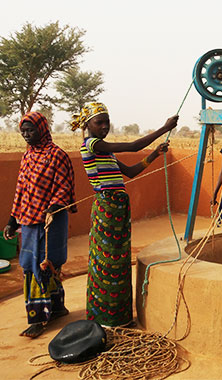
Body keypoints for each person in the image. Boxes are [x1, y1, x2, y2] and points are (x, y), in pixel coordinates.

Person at [70, 102, 177, 327]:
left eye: (107, 122)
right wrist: (164, 128)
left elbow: (130, 172)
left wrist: (156, 155)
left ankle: (118, 316)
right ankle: (104, 317)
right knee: (106, 263)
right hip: (107, 209)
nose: (104, 126)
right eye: (99, 122)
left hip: (117, 209)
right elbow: (134, 145)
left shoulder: (105, 154)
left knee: (117, 263)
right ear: (87, 124)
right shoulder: (92, 145)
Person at [3, 112, 76, 338]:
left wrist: (54, 207)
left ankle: (39, 319)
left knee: (46, 264)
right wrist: (12, 220)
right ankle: (52, 310)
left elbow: (64, 186)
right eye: (23, 131)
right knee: (30, 266)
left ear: (42, 130)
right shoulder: (27, 157)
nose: (26, 134)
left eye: (30, 130)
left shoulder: (58, 156)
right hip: (28, 221)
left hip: (50, 221)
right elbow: (20, 190)